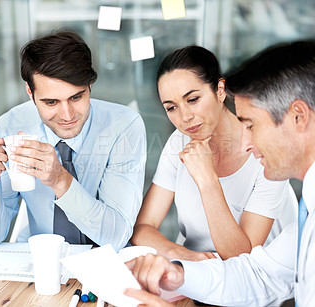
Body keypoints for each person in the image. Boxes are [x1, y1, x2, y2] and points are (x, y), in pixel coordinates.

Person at [125, 40, 315, 306]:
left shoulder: (267, 163)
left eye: (193, 99)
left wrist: (207, 181)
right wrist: (181, 264)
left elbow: (245, 262)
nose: (185, 117)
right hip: (204, 283)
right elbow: (259, 277)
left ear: (220, 91)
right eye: (171, 107)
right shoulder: (178, 143)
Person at [0, 30, 146, 250]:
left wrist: (60, 180)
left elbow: (117, 237)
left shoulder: (123, 126)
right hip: (41, 260)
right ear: (29, 91)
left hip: (108, 261)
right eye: (51, 102)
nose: (67, 115)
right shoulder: (12, 126)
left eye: (76, 97)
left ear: (90, 85)